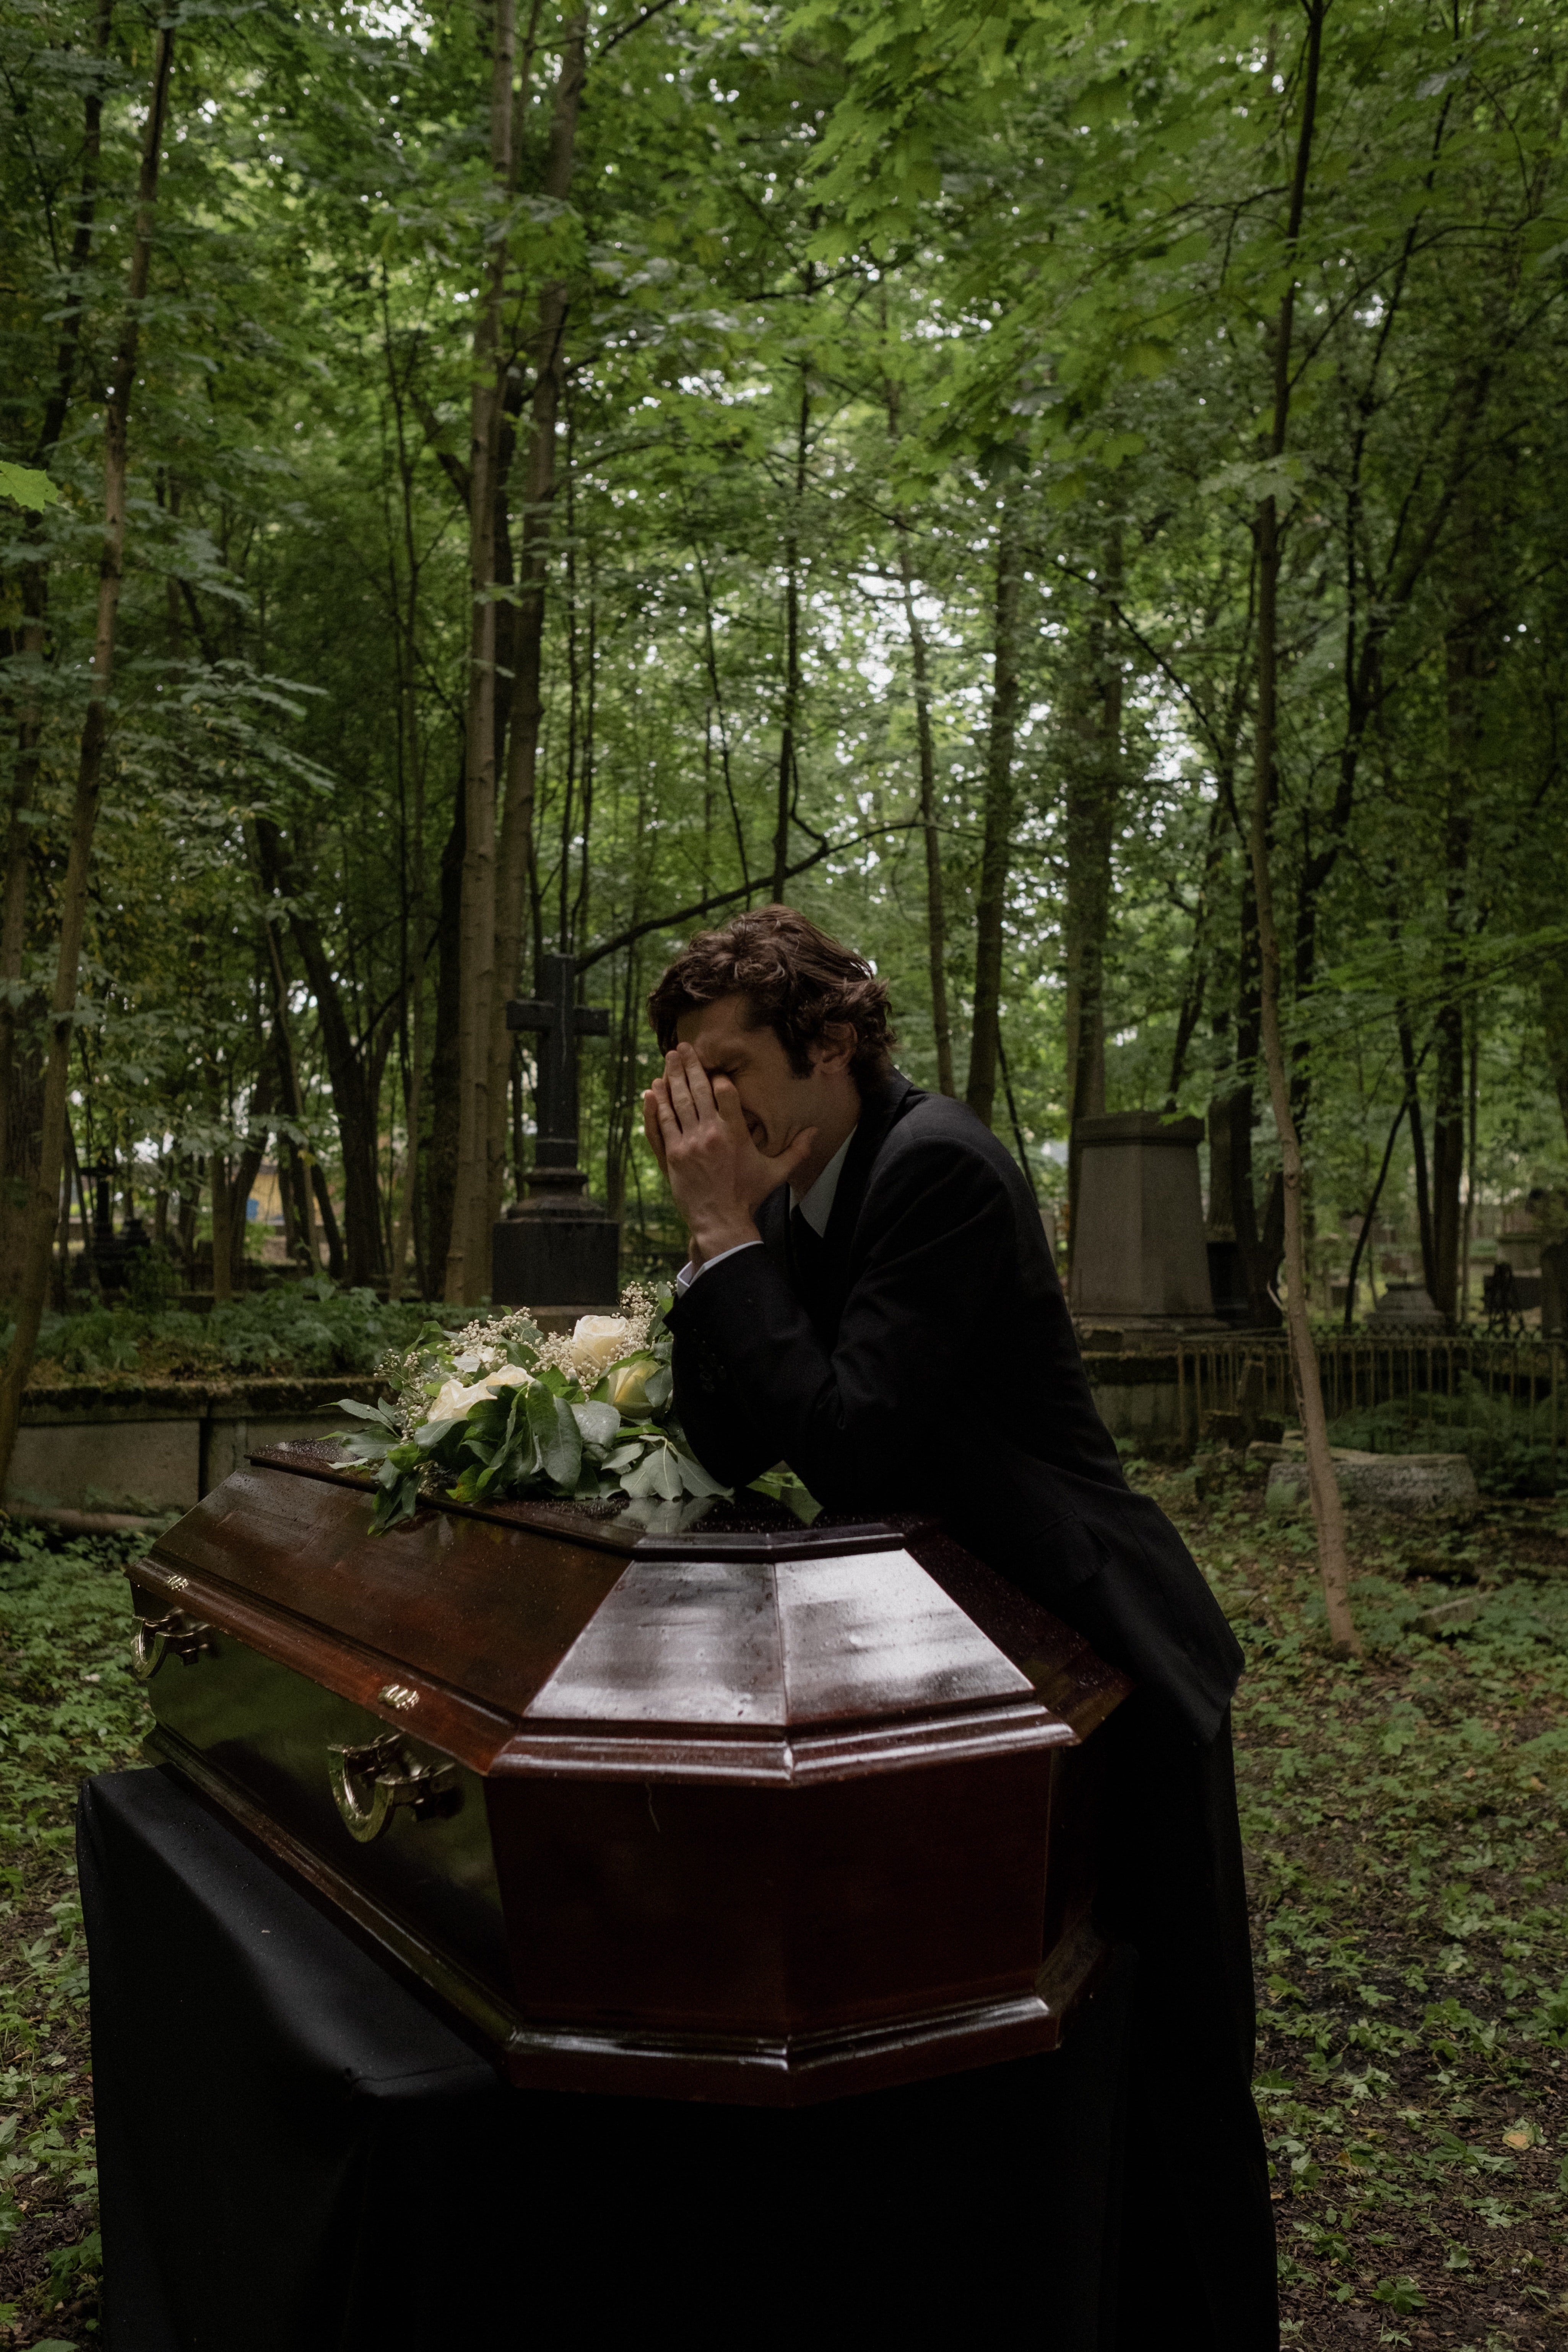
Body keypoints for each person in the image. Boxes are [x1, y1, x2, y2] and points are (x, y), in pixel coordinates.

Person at [643, 904, 1278, 2351]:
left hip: (1099, 1639)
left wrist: (727, 1235)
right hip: (970, 1658)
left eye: (729, 1063)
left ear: (835, 1043)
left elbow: (857, 1440)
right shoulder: (795, 1182)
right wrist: (719, 1241)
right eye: (687, 1073)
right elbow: (743, 1442)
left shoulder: (938, 1167)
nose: (707, 1104)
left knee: (1165, 2050)